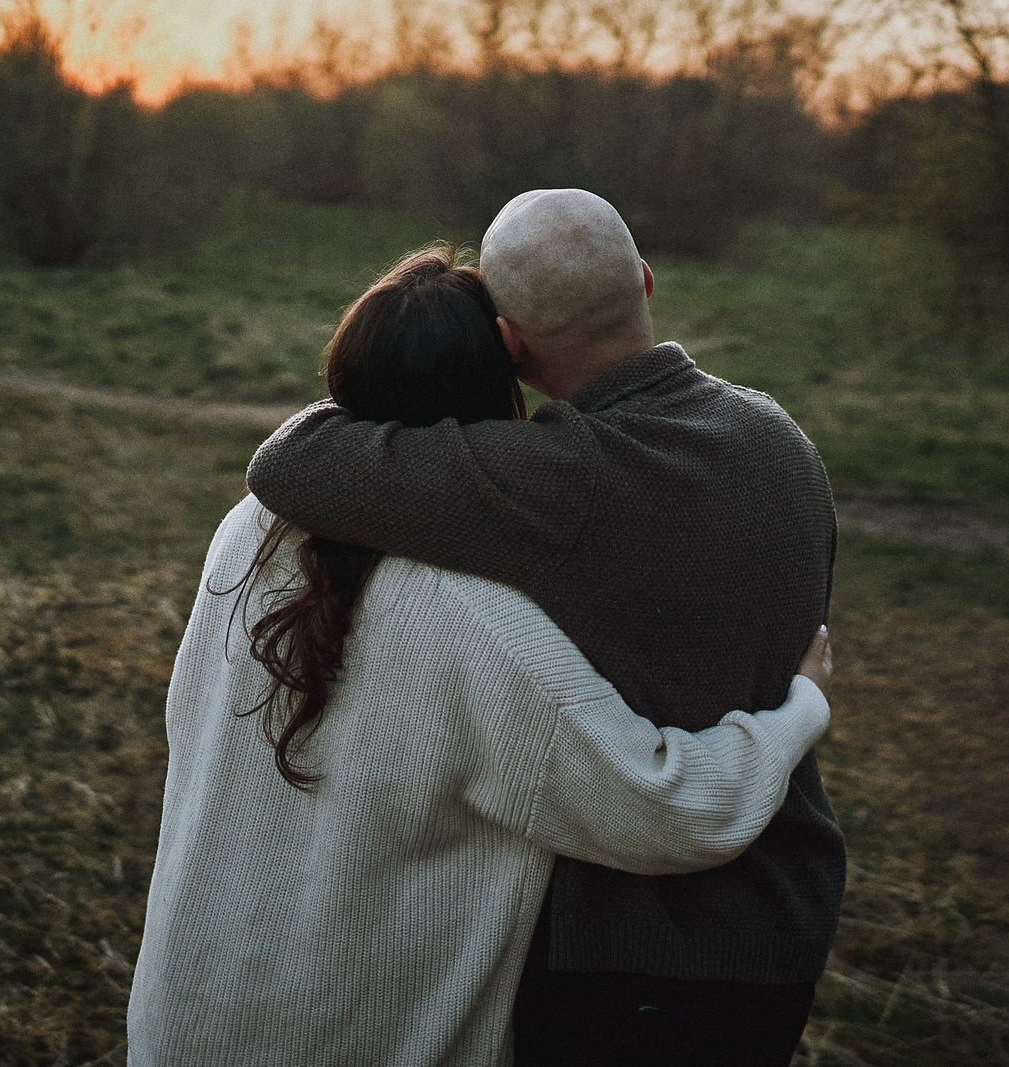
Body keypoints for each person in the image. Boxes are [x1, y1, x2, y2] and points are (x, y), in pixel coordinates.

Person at [128, 246, 834, 1067]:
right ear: (504, 371)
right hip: (350, 1040)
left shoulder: (248, 529)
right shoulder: (485, 623)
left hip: (185, 1014)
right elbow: (676, 810)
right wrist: (801, 710)